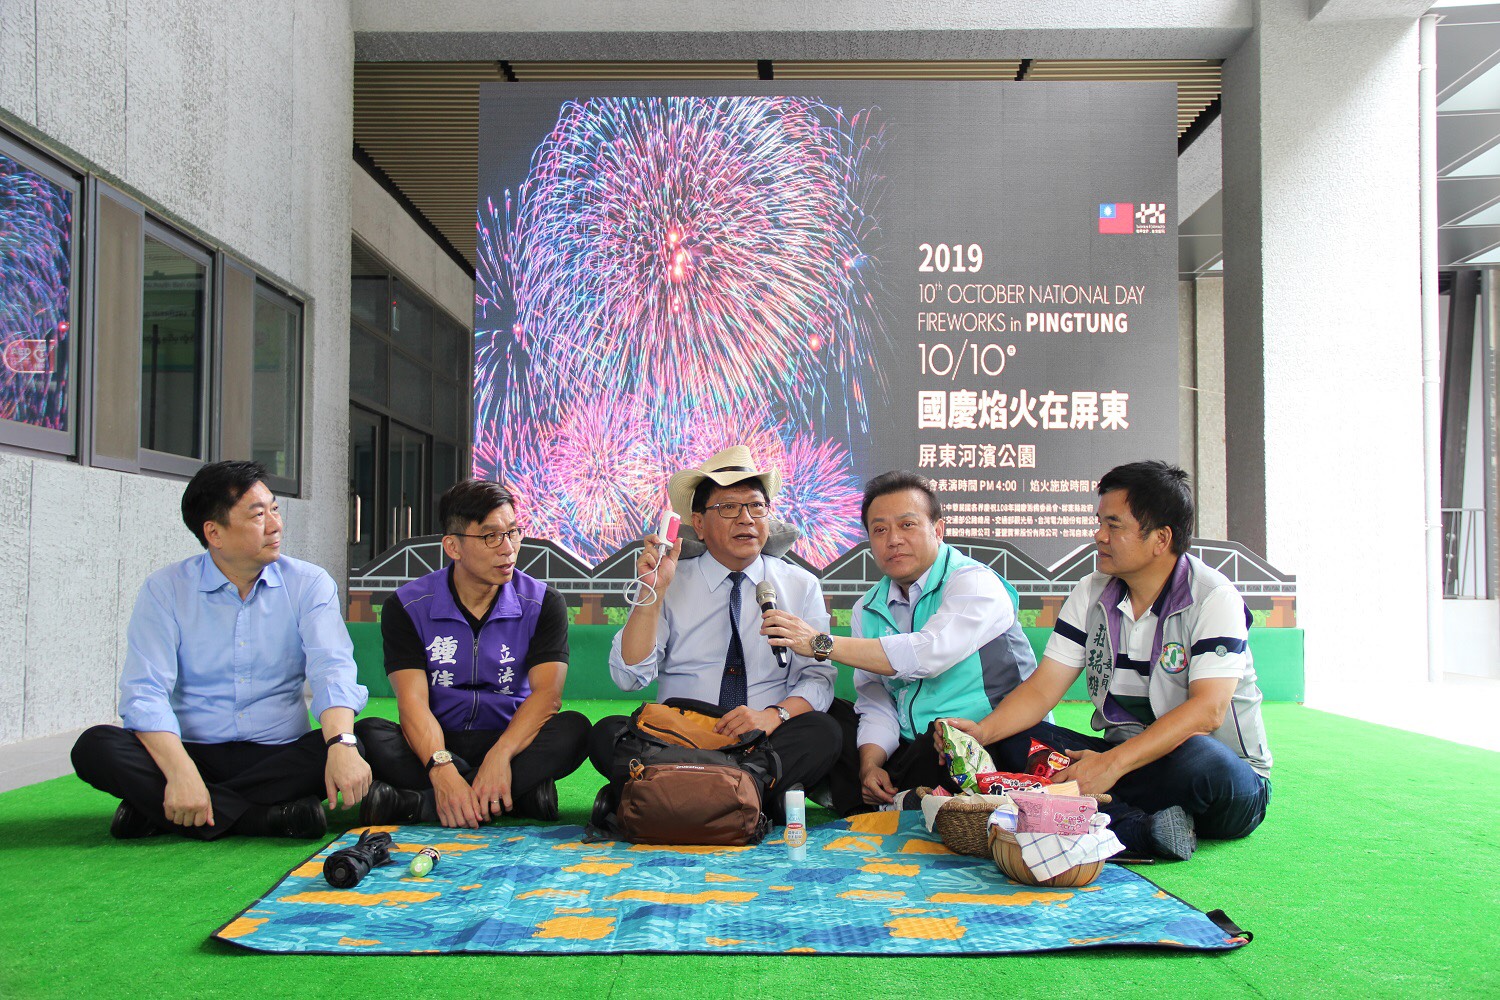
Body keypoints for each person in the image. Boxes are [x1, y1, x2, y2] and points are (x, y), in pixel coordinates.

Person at [943, 460, 1272, 860]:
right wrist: (982, 733)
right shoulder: (1091, 591)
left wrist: (1111, 766)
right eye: (1099, 522)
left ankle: (1094, 815)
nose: (1099, 536)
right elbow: (1043, 689)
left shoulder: (1213, 596)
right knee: (1012, 740)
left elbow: (1208, 710)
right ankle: (1142, 829)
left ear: (1161, 538)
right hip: (1124, 762)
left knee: (1200, 759)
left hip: (1222, 779)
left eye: (1114, 526)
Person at [71, 461, 371, 840]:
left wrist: (341, 744)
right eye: (258, 515)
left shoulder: (308, 584)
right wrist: (181, 771)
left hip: (280, 754)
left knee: (359, 740)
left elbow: (333, 669)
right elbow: (145, 691)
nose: (275, 525)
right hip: (192, 752)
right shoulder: (166, 589)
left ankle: (160, 810)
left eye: (275, 509)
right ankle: (263, 818)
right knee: (95, 747)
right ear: (214, 532)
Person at [759, 471, 1038, 815]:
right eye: (879, 530)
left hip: (980, 741)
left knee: (938, 740)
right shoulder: (867, 608)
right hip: (908, 745)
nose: (893, 540)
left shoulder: (975, 582)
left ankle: (896, 800)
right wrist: (870, 763)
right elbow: (876, 699)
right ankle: (888, 791)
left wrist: (820, 643)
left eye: (907, 525)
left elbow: (927, 654)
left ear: (938, 530)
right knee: (827, 717)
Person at [586, 446, 842, 815]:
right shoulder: (670, 580)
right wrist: (651, 593)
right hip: (679, 738)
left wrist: (771, 717)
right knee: (606, 733)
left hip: (758, 740)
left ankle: (668, 794)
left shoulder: (800, 585)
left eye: (756, 506)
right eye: (728, 507)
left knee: (823, 731)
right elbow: (629, 677)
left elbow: (817, 678)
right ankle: (744, 797)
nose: (746, 519)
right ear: (699, 523)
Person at [357, 481, 589, 827]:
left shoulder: (542, 603)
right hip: (437, 739)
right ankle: (516, 796)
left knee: (575, 730)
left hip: (511, 736)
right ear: (453, 546)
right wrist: (441, 767)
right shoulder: (407, 606)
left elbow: (547, 696)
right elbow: (413, 702)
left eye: (513, 532)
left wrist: (501, 755)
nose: (508, 548)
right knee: (370, 735)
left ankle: (417, 805)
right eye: (491, 536)